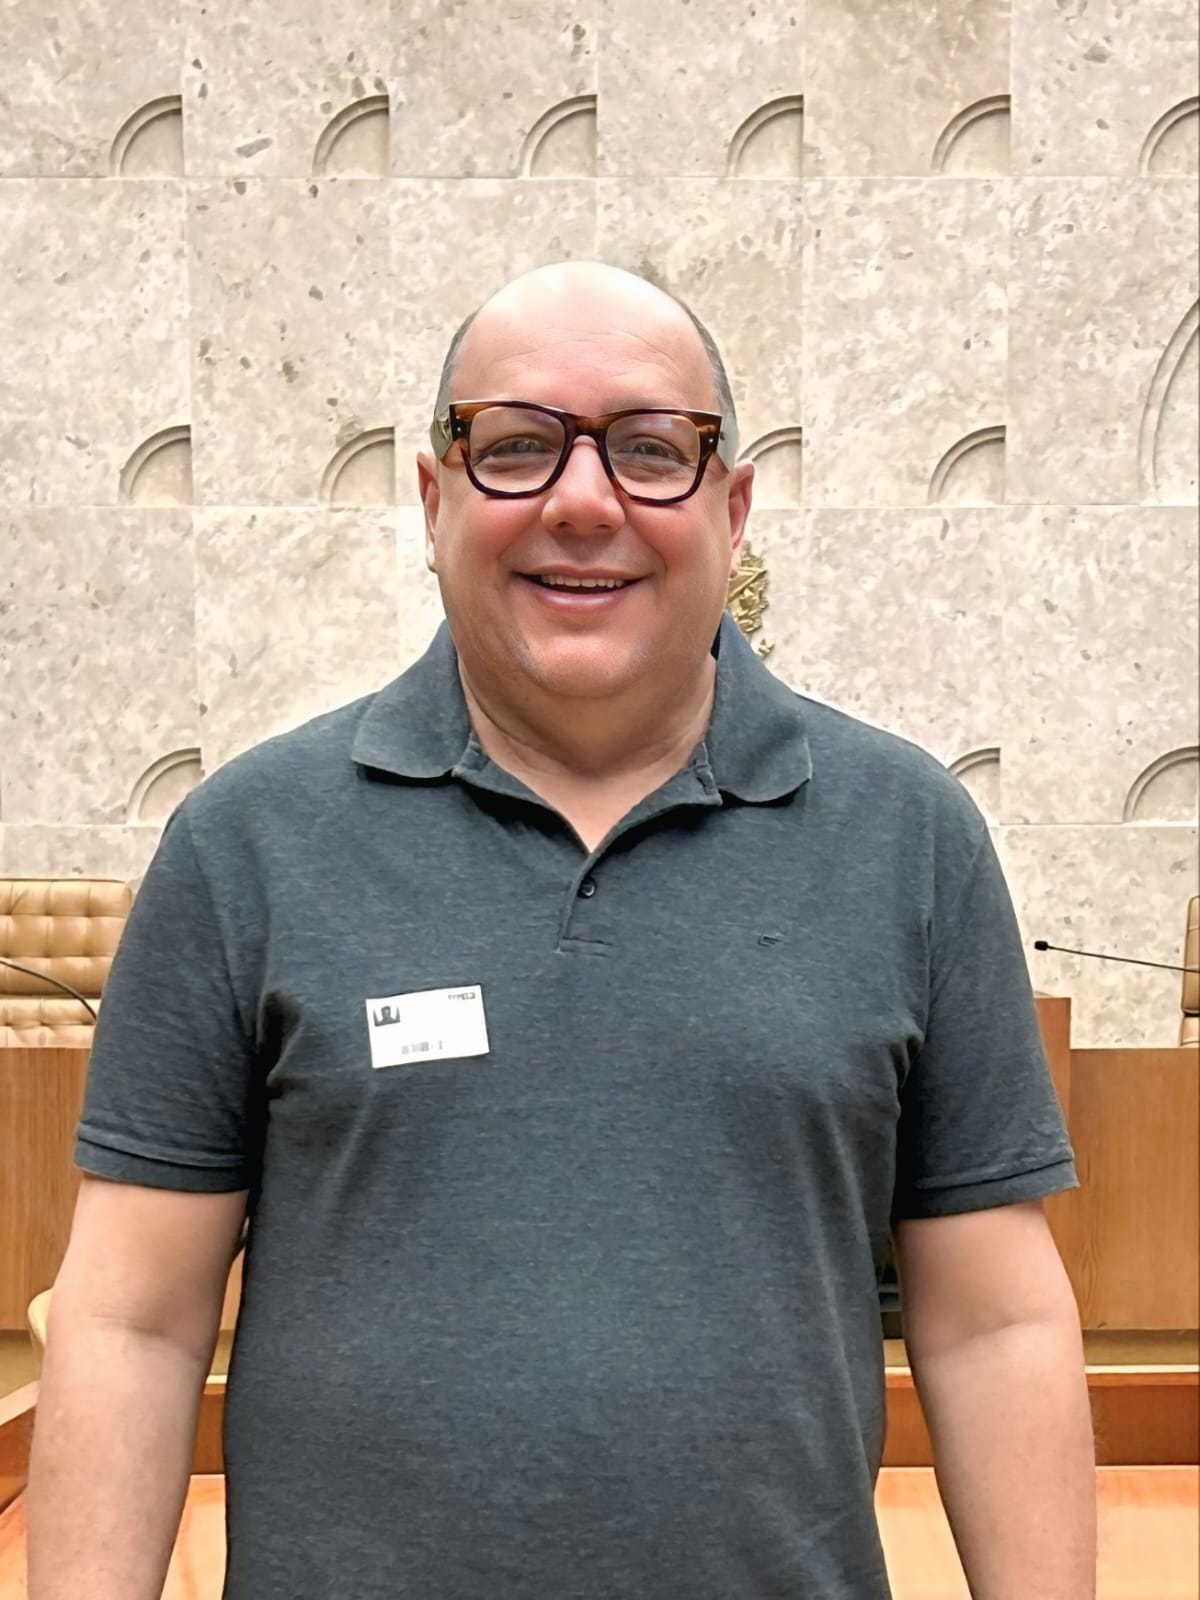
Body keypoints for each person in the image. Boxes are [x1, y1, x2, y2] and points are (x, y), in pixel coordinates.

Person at [27, 261, 1097, 1599]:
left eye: (650, 449)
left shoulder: (911, 839)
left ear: (733, 509)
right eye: (517, 445)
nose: (583, 503)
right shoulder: (246, 845)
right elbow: (131, 1322)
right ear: (434, 501)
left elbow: (995, 1324)